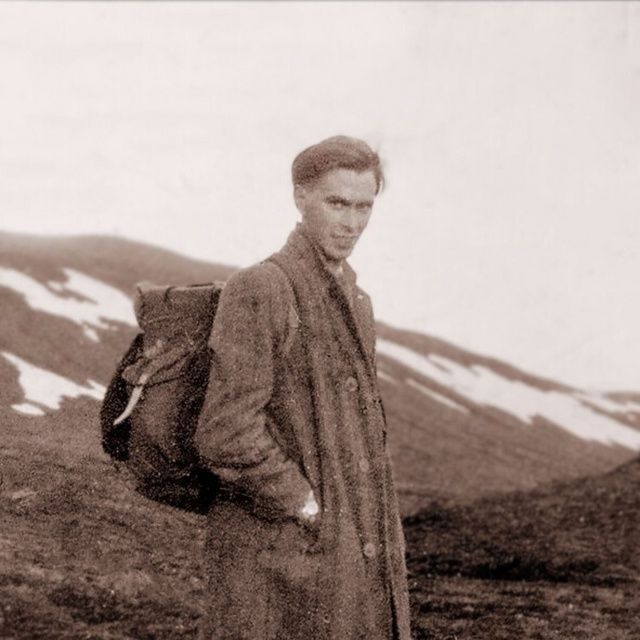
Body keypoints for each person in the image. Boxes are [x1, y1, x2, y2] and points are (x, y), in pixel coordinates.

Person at [195, 135, 411, 640]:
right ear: (300, 197)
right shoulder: (261, 287)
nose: (352, 223)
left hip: (337, 555)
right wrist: (305, 504)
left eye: (363, 207)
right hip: (280, 560)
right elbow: (225, 432)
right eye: (337, 203)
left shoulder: (356, 300)